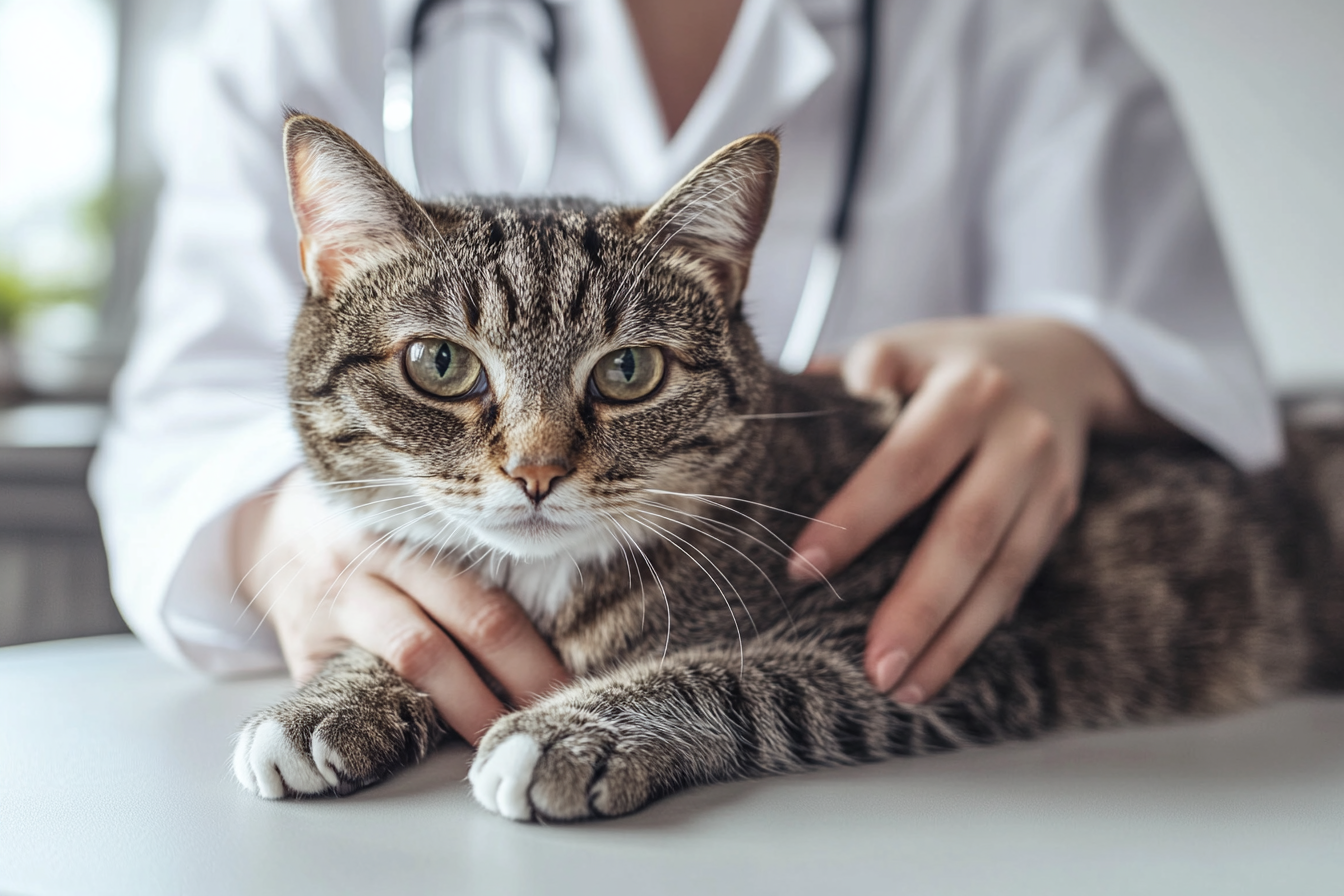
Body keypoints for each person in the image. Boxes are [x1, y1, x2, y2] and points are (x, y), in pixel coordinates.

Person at [92, 0, 1282, 745]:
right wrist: (279, 538)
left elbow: (1207, 374)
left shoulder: (1010, 24)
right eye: (448, 366)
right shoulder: (298, 20)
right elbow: (176, 422)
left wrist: (1083, 352)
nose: (540, 461)